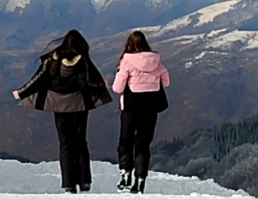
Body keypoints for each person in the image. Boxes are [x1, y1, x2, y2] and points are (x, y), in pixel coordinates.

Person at [13, 29, 112, 194]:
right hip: (79, 106)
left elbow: (39, 79)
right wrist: (102, 85)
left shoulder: (52, 60)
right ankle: (84, 182)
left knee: (65, 145)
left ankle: (68, 184)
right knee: (80, 143)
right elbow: (87, 82)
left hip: (59, 107)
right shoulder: (83, 60)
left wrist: (21, 92)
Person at [111, 31, 170, 194]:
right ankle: (140, 178)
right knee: (143, 144)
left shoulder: (127, 62)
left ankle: (125, 174)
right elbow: (166, 82)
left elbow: (117, 88)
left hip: (130, 108)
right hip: (150, 109)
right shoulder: (156, 61)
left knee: (125, 141)